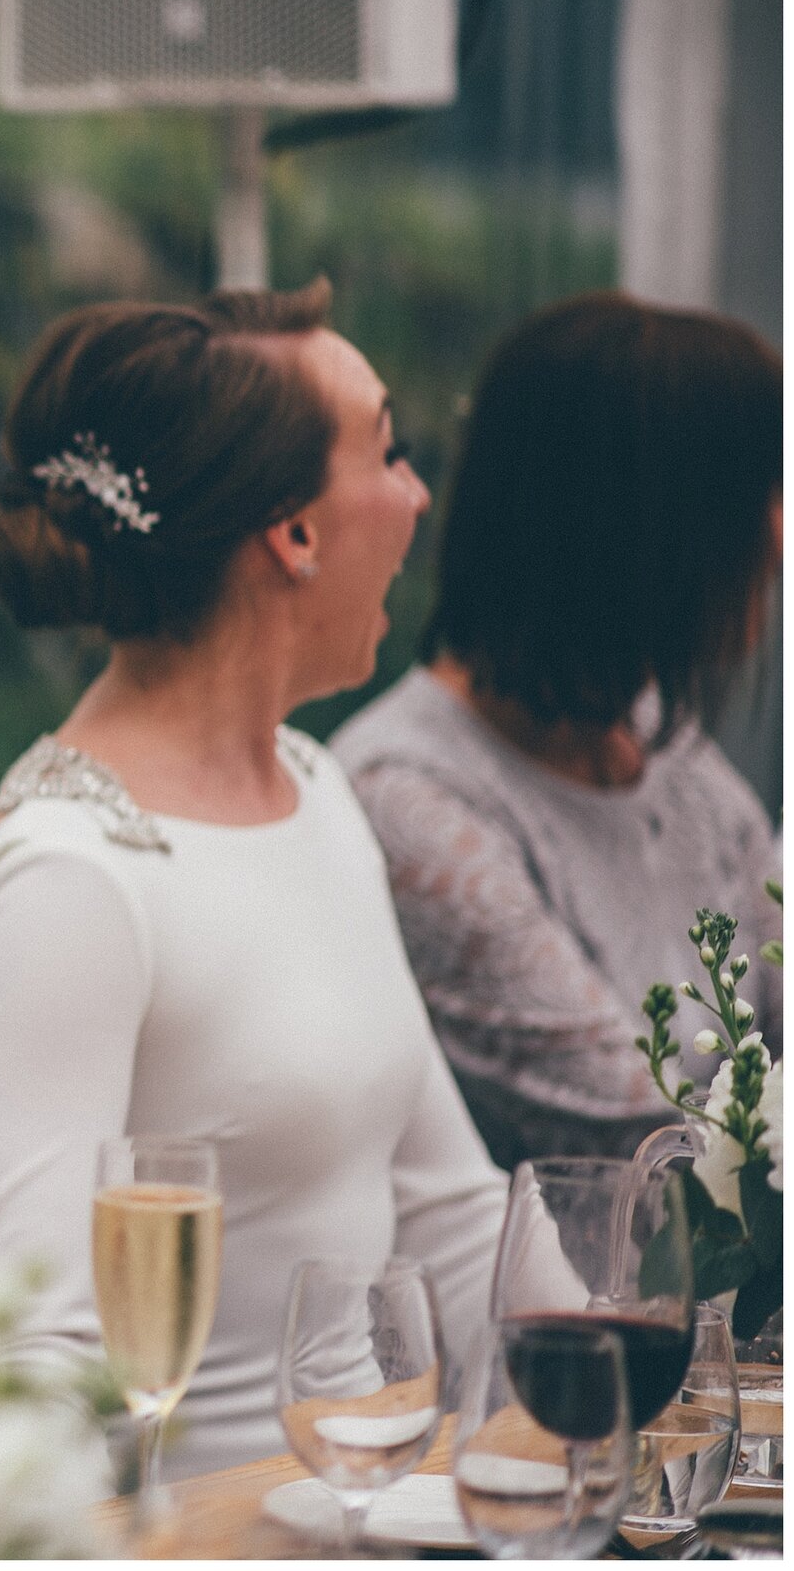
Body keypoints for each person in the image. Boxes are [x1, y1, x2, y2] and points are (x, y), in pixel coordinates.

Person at [0, 280, 508, 1481]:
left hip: (393, 1509)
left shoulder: (315, 785)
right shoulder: (70, 885)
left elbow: (454, 1214)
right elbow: (47, 1360)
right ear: (291, 532)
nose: (416, 495)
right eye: (387, 452)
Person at [332, 293, 783, 1169]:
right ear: (646, 524)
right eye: (759, 491)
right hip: (542, 1306)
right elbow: (658, 1136)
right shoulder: (412, 804)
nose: (779, 534)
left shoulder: (663, 749)